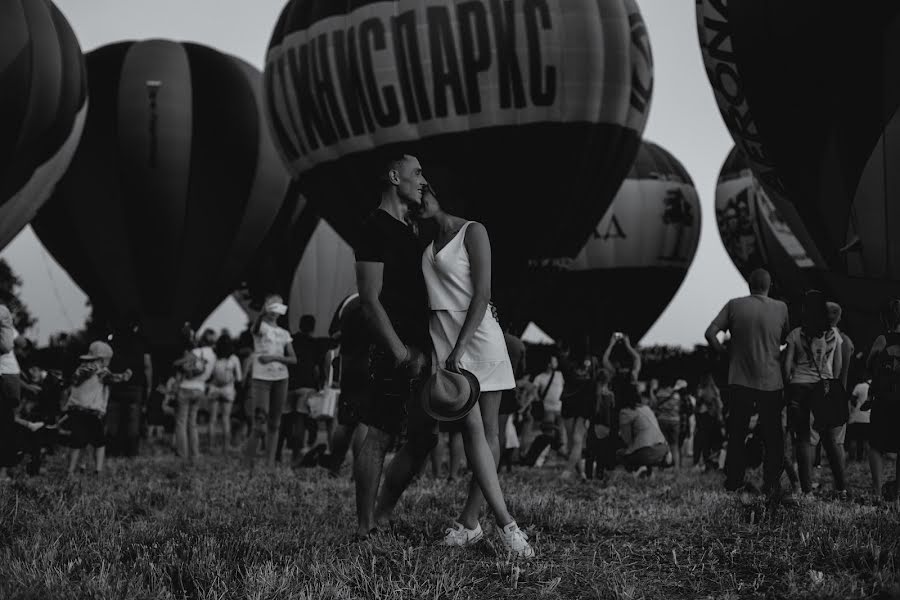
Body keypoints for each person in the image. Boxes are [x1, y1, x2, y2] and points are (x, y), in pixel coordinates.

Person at [417, 183, 533, 556]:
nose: (416, 206)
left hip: (477, 338)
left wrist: (461, 346)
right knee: (474, 432)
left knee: (486, 432)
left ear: (434, 193)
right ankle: (492, 524)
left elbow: (482, 293)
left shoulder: (472, 231)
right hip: (445, 341)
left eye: (420, 197)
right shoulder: (424, 245)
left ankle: (486, 523)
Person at [352, 154, 436, 540]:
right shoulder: (375, 227)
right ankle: (364, 527)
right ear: (393, 175)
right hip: (395, 347)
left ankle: (383, 515)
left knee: (423, 439)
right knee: (380, 434)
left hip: (425, 346)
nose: (422, 180)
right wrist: (399, 351)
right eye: (416, 172)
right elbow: (369, 298)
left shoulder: (411, 230)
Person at [705, 269, 790, 495]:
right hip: (771, 381)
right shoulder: (781, 308)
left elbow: (710, 333)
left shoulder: (734, 305)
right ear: (769, 285)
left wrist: (724, 353)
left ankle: (734, 480)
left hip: (740, 380)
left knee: (737, 432)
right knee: (774, 437)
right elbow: (785, 339)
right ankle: (771, 483)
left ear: (749, 285)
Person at [783, 290, 846, 497]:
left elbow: (787, 366)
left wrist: (789, 382)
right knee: (830, 440)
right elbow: (837, 366)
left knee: (803, 439)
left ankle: (807, 491)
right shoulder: (833, 334)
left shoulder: (796, 333)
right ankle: (842, 488)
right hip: (824, 386)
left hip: (800, 387)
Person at [63, 341, 132, 476]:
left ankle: (71, 470)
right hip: (91, 411)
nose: (109, 362)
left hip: (77, 409)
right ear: (101, 359)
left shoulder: (81, 368)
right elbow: (113, 378)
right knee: (99, 442)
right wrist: (124, 376)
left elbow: (74, 380)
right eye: (108, 360)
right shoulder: (100, 370)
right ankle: (98, 470)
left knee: (78, 442)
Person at [245, 295, 297, 468]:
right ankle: (248, 462)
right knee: (259, 423)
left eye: (279, 307)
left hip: (281, 378)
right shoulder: (260, 327)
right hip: (261, 378)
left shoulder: (284, 333)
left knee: (275, 423)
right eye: (272, 306)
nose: (275, 311)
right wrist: (262, 312)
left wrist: (274, 357)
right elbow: (255, 328)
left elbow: (293, 359)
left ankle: (269, 464)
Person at [864, 299, 900, 508]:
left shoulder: (882, 339)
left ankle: (877, 493)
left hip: (883, 400)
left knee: (876, 445)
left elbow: (870, 364)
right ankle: (897, 496)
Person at [106, 322, 152, 458]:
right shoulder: (141, 342)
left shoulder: (114, 341)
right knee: (133, 420)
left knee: (113, 419)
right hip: (135, 385)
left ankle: (112, 450)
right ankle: (131, 452)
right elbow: (147, 365)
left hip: (116, 384)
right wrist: (148, 387)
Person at [558, 343, 600, 479]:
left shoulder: (567, 361)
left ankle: (567, 472)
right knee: (575, 441)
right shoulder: (592, 362)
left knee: (575, 440)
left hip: (571, 403)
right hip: (583, 403)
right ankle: (581, 473)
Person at [617, 383, 670, 477]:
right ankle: (649, 472)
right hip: (663, 450)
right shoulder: (646, 408)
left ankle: (638, 469)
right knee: (643, 446)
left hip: (646, 453)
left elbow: (627, 440)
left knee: (620, 453)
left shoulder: (625, 412)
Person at [207, 334, 242, 451]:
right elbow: (239, 378)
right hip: (228, 389)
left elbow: (209, 374)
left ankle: (211, 446)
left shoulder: (214, 357)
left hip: (214, 389)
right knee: (226, 418)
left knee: (212, 419)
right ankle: (226, 446)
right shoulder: (234, 359)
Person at [692, 374, 724, 472]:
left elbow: (697, 407)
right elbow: (719, 406)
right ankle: (712, 464)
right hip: (714, 420)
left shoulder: (702, 391)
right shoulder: (715, 390)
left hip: (705, 420)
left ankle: (706, 465)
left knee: (704, 444)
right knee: (713, 444)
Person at [652, 379, 686, 469]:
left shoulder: (660, 393)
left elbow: (654, 405)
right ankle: (676, 468)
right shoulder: (676, 395)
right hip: (675, 421)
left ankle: (661, 467)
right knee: (674, 445)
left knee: (663, 445)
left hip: (662, 420)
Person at [827, 302, 854, 389]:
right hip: (836, 386)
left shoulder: (837, 337)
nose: (840, 318)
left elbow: (838, 366)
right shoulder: (844, 339)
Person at [846, 377, 871, 462]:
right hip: (869, 418)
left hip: (857, 417)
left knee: (853, 439)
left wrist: (856, 406)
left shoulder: (859, 386)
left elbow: (852, 399)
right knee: (867, 441)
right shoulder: (876, 386)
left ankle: (852, 459)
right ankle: (866, 460)